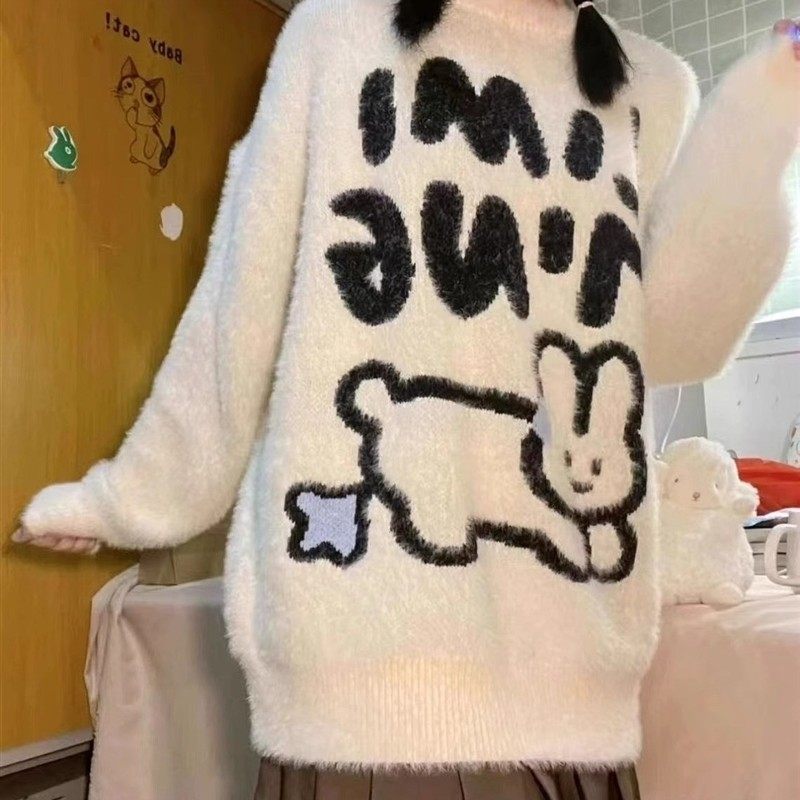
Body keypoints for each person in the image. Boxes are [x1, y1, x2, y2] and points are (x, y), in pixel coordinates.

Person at [14, 1, 800, 797]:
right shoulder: (337, 35)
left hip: (567, 677)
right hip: (356, 676)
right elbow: (239, 296)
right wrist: (137, 495)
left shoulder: (649, 87)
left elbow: (670, 342)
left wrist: (762, 119)